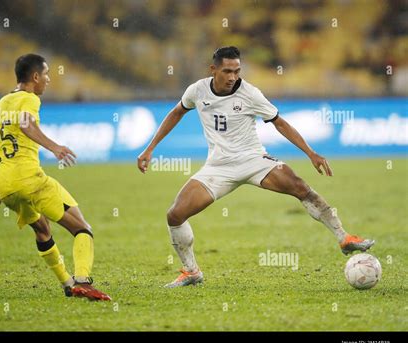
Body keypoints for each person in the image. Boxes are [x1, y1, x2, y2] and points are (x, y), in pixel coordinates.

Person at [137, 46, 375, 288]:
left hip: (253, 160)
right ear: (213, 69)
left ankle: (344, 238)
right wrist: (150, 148)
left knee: (299, 186)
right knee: (174, 215)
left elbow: (279, 123)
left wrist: (310, 153)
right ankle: (191, 272)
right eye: (227, 71)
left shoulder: (250, 93)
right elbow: (177, 113)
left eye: (237, 71)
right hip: (218, 166)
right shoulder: (197, 90)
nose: (232, 77)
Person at [0, 54, 110, 300]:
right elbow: (27, 125)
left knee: (42, 229)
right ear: (35, 76)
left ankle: (68, 285)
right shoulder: (29, 99)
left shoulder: (0, 105)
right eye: (46, 74)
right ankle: (83, 281)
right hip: (30, 179)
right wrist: (55, 147)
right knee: (83, 229)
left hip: (6, 186)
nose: (48, 80)